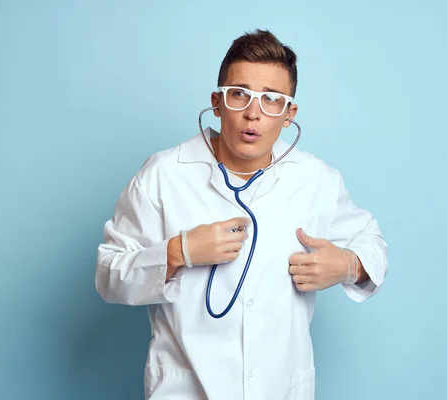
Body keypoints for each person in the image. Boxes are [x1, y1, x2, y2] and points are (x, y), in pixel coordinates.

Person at [95, 29, 388, 399]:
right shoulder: (163, 175)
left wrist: (348, 265)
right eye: (240, 94)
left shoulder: (316, 180)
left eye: (271, 99)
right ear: (217, 103)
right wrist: (177, 252)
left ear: (288, 114)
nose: (253, 113)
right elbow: (108, 276)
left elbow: (374, 245)